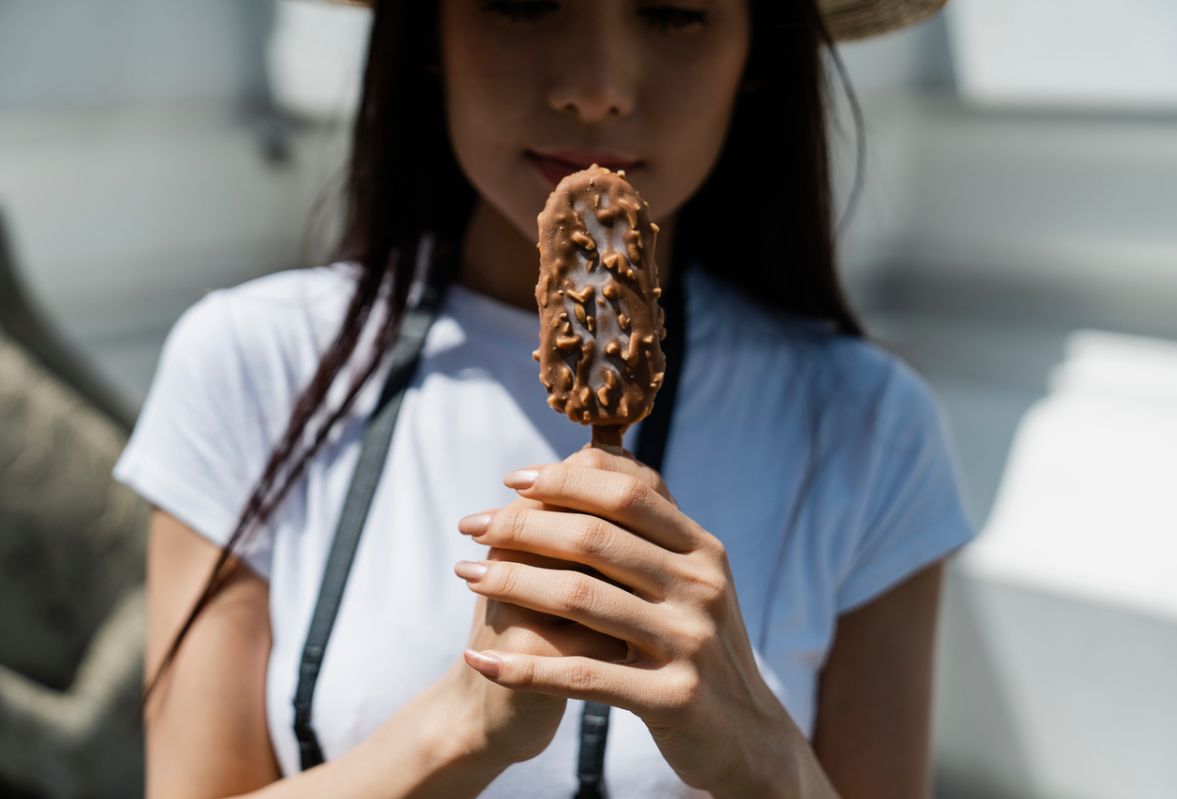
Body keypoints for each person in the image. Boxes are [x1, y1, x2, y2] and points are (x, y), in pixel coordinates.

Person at [113, 0, 974, 796]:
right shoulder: (255, 364)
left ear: (757, 48)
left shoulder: (865, 424)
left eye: (674, 12)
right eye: (523, 1)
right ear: (429, 31)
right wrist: (460, 726)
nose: (594, 91)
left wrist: (762, 752)